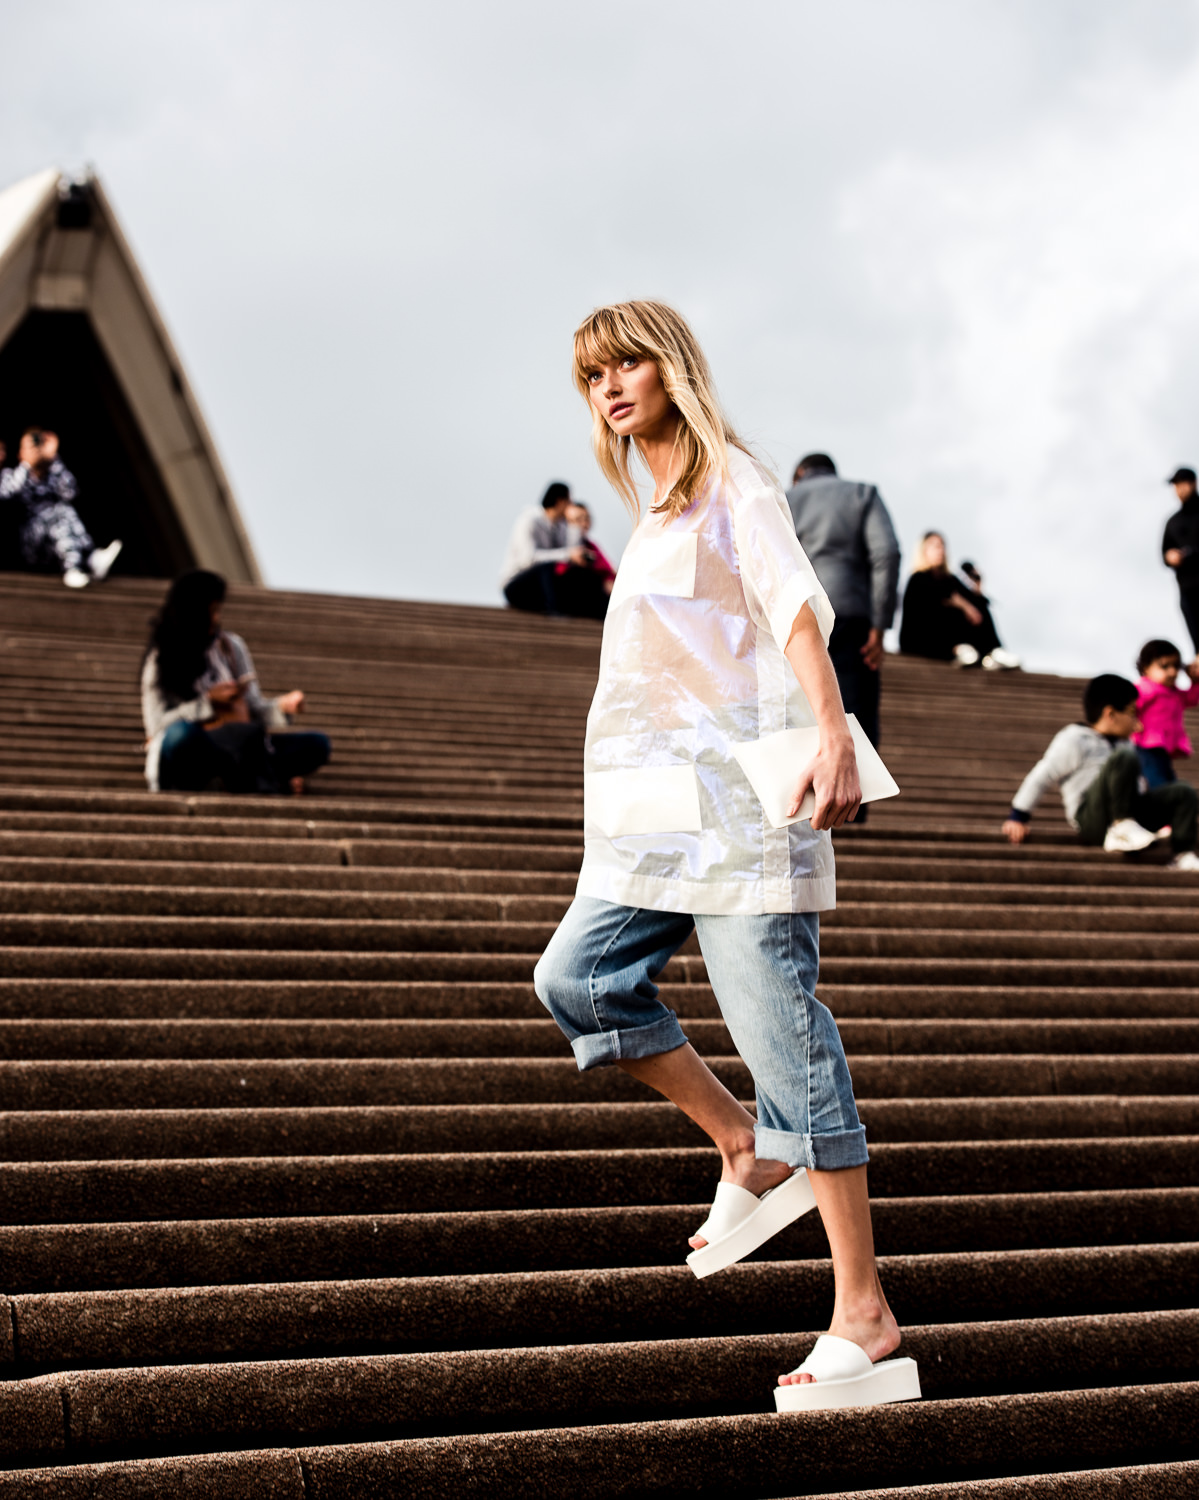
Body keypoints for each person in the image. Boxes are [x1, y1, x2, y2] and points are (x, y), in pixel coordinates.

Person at [534, 300, 918, 1413]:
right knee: (576, 978)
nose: (610, 386)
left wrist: (835, 730)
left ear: (672, 368)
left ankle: (865, 1315)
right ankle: (742, 1147)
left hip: (745, 813)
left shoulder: (732, 483)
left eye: (628, 362)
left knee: (785, 1039)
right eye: (591, 374)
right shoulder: (650, 511)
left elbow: (799, 608)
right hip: (654, 822)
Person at [141, 570, 331, 795]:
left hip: (240, 743)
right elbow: (157, 726)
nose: (216, 618)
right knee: (180, 736)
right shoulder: (162, 657)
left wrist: (282, 706)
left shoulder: (231, 647)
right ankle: (250, 778)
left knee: (317, 744)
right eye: (210, 611)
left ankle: (235, 777)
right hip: (196, 749)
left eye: (218, 610)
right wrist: (209, 702)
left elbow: (254, 711)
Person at [1001, 673, 1199, 870]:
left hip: (1130, 810)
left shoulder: (1126, 743)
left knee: (1182, 791)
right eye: (1132, 713)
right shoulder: (1075, 739)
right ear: (1110, 714)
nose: (1138, 723)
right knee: (1123, 758)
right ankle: (1121, 827)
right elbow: (1041, 776)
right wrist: (1018, 816)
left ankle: (1183, 853)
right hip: (1093, 820)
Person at [786, 453, 900, 755]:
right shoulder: (862, 493)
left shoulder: (784, 500)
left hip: (797, 622)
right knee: (857, 726)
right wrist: (879, 625)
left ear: (800, 474)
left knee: (801, 724)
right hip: (853, 621)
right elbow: (886, 553)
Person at [0, 428, 122, 588]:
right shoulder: (10, 476)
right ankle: (78, 565)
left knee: (63, 510)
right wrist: (27, 464)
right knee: (56, 513)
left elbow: (70, 492)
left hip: (54, 541)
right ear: (19, 454)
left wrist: (53, 458)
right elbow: (9, 492)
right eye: (30, 446)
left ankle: (83, 561)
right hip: (31, 545)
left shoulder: (51, 473)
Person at [898, 531, 1019, 669]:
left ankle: (993, 652)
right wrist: (964, 606)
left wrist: (977, 590)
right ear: (923, 551)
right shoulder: (918, 578)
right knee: (947, 612)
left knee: (980, 607)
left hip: (955, 639)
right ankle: (957, 649)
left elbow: (971, 601)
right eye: (935, 546)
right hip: (922, 639)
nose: (940, 550)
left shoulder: (950, 579)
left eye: (942, 546)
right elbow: (938, 600)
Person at [500, 482, 607, 619]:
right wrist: (568, 554)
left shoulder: (560, 526)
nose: (571, 506)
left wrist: (573, 525)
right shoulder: (529, 520)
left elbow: (571, 553)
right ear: (560, 502)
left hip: (542, 589)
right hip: (516, 585)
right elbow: (527, 560)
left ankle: (602, 613)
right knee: (547, 568)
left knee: (583, 573)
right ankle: (556, 616)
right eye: (569, 502)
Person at [1131, 639, 1199, 788]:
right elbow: (1130, 704)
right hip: (1146, 746)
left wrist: (1195, 681)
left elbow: (1192, 699)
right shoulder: (1146, 688)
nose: (1172, 672)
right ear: (1145, 668)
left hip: (1163, 748)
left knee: (1168, 778)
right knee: (1158, 782)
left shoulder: (1175, 693)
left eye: (1176, 666)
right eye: (1164, 666)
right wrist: (1132, 720)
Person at [1162, 466, 1199, 655]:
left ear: (1193, 483)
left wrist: (1190, 553)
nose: (1180, 489)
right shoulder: (1172, 522)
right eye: (1176, 485)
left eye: (1182, 484)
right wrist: (1170, 557)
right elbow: (1164, 553)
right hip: (1187, 589)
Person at [560, 501, 617, 599]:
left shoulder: (591, 546)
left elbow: (609, 569)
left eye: (586, 518)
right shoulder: (559, 543)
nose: (583, 523)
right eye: (577, 519)